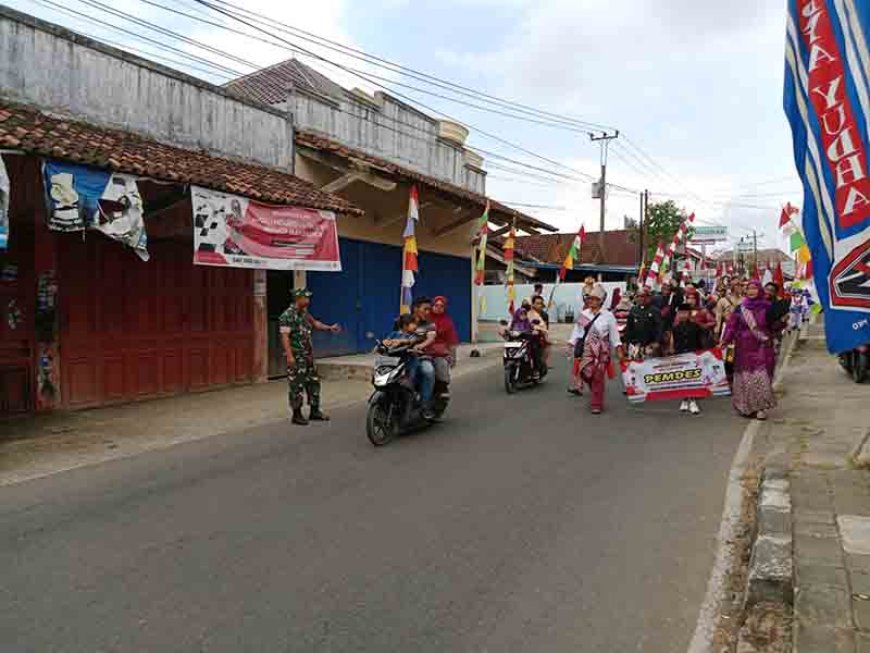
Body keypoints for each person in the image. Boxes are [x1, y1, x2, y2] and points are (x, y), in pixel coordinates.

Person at [279, 288, 341, 426]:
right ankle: (297, 414)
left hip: (308, 356)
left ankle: (315, 411)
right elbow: (285, 337)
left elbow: (315, 323)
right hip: (297, 356)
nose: (308, 301)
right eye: (305, 298)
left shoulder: (304, 313)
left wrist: (329, 328)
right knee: (297, 384)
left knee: (314, 382)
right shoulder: (287, 316)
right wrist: (289, 356)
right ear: (298, 298)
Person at [721, 280, 777, 420]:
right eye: (749, 288)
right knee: (746, 378)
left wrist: (783, 321)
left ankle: (761, 408)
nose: (751, 291)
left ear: (760, 290)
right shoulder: (741, 308)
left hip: (762, 346)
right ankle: (746, 407)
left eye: (754, 288)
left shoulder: (768, 307)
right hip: (744, 347)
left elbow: (775, 326)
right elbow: (731, 326)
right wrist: (725, 340)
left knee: (761, 377)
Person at [568, 284, 624, 414]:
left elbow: (614, 334)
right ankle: (595, 390)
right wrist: (571, 343)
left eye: (594, 299)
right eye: (590, 299)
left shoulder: (608, 315)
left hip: (602, 351)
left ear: (600, 301)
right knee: (585, 373)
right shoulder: (583, 314)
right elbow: (577, 331)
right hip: (586, 350)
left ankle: (596, 403)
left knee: (598, 375)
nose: (591, 301)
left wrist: (618, 347)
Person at [672, 287, 716, 415]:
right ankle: (684, 400)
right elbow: (673, 341)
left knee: (693, 378)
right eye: (681, 313)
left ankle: (693, 401)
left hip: (694, 354)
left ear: (690, 314)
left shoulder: (696, 326)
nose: (683, 315)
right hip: (680, 354)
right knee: (683, 378)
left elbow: (703, 337)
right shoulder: (675, 327)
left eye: (686, 313)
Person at [411, 296, 437, 419]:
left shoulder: (430, 325)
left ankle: (425, 404)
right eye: (425, 309)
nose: (427, 312)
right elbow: (394, 335)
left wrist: (420, 346)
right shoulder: (403, 321)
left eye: (429, 310)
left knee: (428, 371)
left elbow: (431, 338)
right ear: (415, 308)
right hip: (403, 357)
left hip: (422, 357)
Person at [429, 295, 459, 392]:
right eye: (436, 305)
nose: (438, 308)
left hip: (439, 353)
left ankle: (441, 392)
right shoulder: (425, 318)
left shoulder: (447, 321)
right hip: (423, 351)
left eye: (441, 306)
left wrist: (453, 357)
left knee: (441, 370)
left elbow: (452, 341)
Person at [625, 287, 663, 359]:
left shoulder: (654, 311)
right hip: (635, 346)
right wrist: (626, 343)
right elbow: (629, 328)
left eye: (642, 296)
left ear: (648, 297)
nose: (640, 298)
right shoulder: (633, 310)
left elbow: (659, 327)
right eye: (638, 296)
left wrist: (657, 341)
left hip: (650, 346)